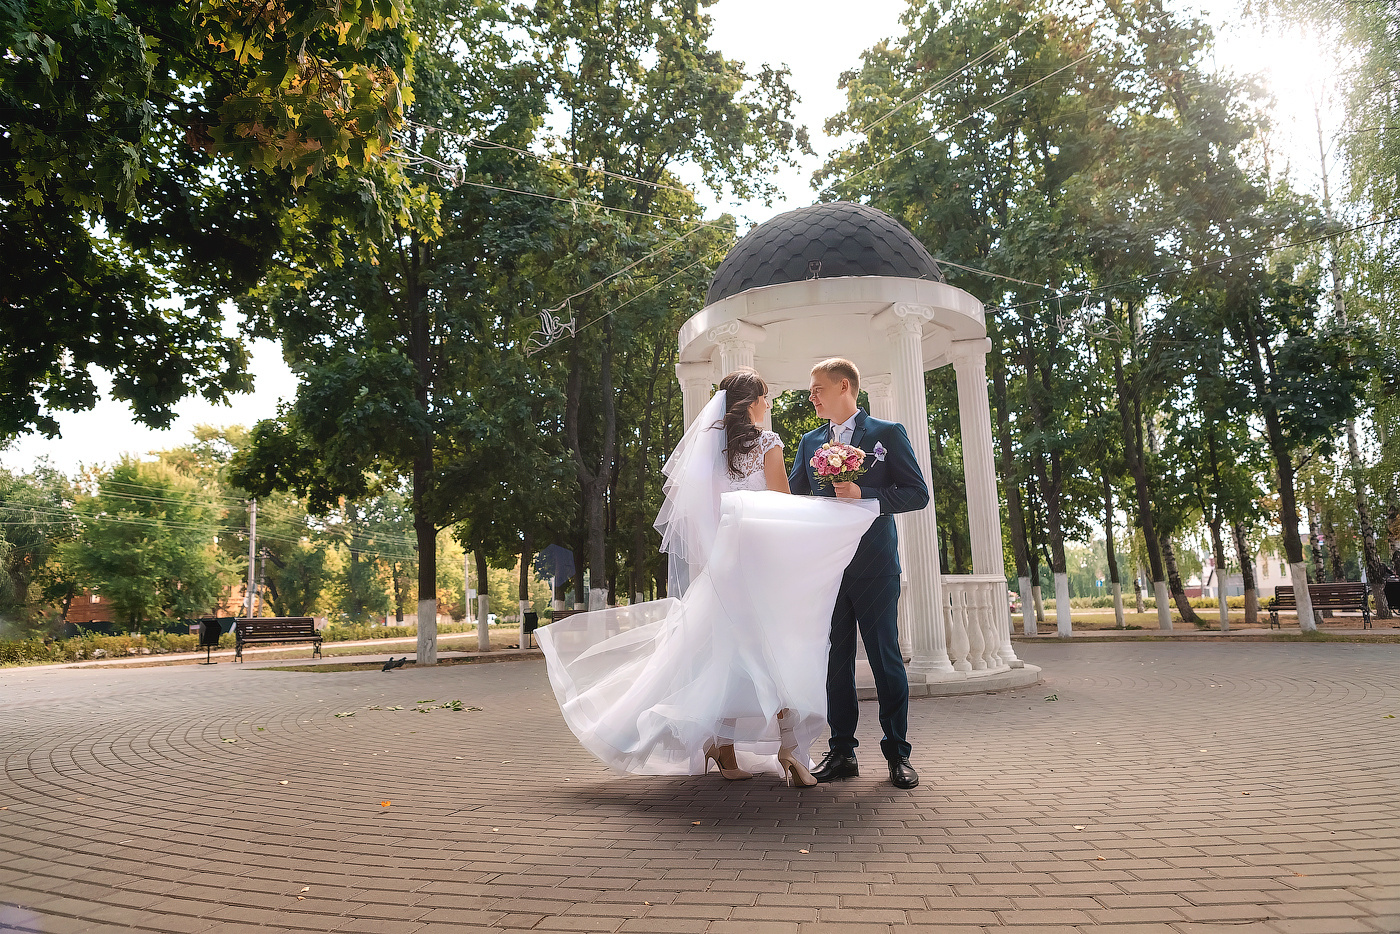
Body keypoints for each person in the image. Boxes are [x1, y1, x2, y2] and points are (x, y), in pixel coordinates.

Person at [537, 368, 879, 786]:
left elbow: (701, 517)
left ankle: (724, 746)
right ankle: (789, 750)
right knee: (780, 653)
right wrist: (838, 514)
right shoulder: (769, 443)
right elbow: (782, 508)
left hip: (722, 570)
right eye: (766, 397)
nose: (768, 404)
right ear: (752, 402)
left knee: (727, 659)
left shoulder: (707, 449)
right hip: (762, 569)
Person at [789, 357, 929, 790]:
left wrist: (863, 493)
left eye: (817, 389)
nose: (810, 397)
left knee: (886, 660)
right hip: (828, 569)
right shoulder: (810, 441)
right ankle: (842, 753)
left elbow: (916, 493)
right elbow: (793, 494)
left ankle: (898, 755)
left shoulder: (886, 434)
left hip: (874, 567)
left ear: (844, 386)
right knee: (835, 663)